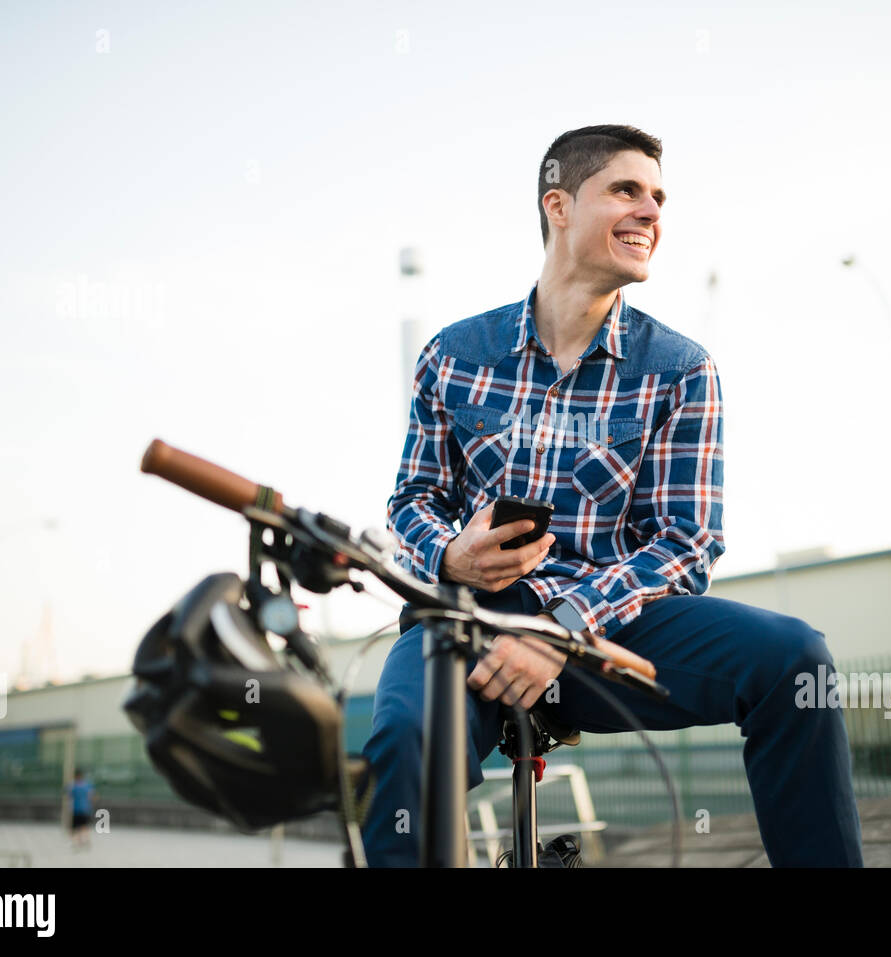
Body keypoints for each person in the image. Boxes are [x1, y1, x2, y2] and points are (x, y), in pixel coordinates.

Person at [361, 124, 863, 867]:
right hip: (462, 626)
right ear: (558, 205)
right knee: (404, 739)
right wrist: (451, 553)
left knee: (796, 660)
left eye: (659, 197)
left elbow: (685, 544)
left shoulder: (681, 369)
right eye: (626, 190)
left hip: (605, 630)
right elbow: (412, 500)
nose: (651, 211)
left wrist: (561, 626)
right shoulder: (453, 355)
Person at [66, 768, 96, 849]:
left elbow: (69, 796)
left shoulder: (72, 786)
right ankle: (86, 842)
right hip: (85, 809)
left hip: (76, 809)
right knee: (84, 827)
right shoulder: (87, 785)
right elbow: (92, 796)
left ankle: (76, 843)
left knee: (75, 828)